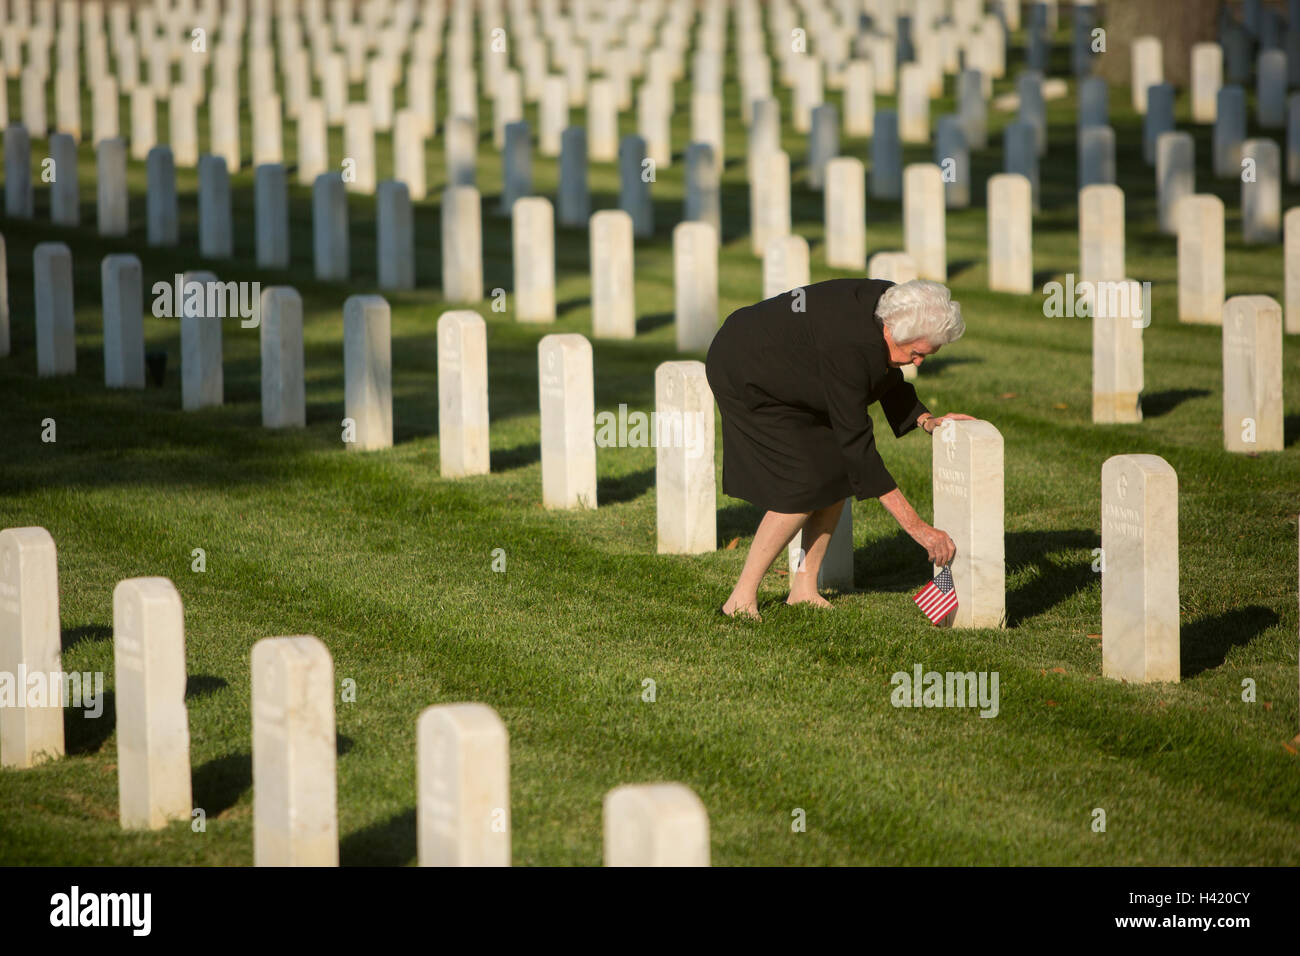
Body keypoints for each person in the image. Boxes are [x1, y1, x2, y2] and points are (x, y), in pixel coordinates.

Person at [705, 277, 974, 619]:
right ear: (892, 332)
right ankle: (740, 600)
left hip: (798, 369)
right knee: (801, 483)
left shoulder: (897, 305)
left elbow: (886, 376)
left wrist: (924, 419)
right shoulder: (851, 342)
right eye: (917, 353)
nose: (918, 363)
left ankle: (804, 588)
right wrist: (918, 529)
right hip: (747, 370)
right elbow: (857, 447)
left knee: (835, 474)